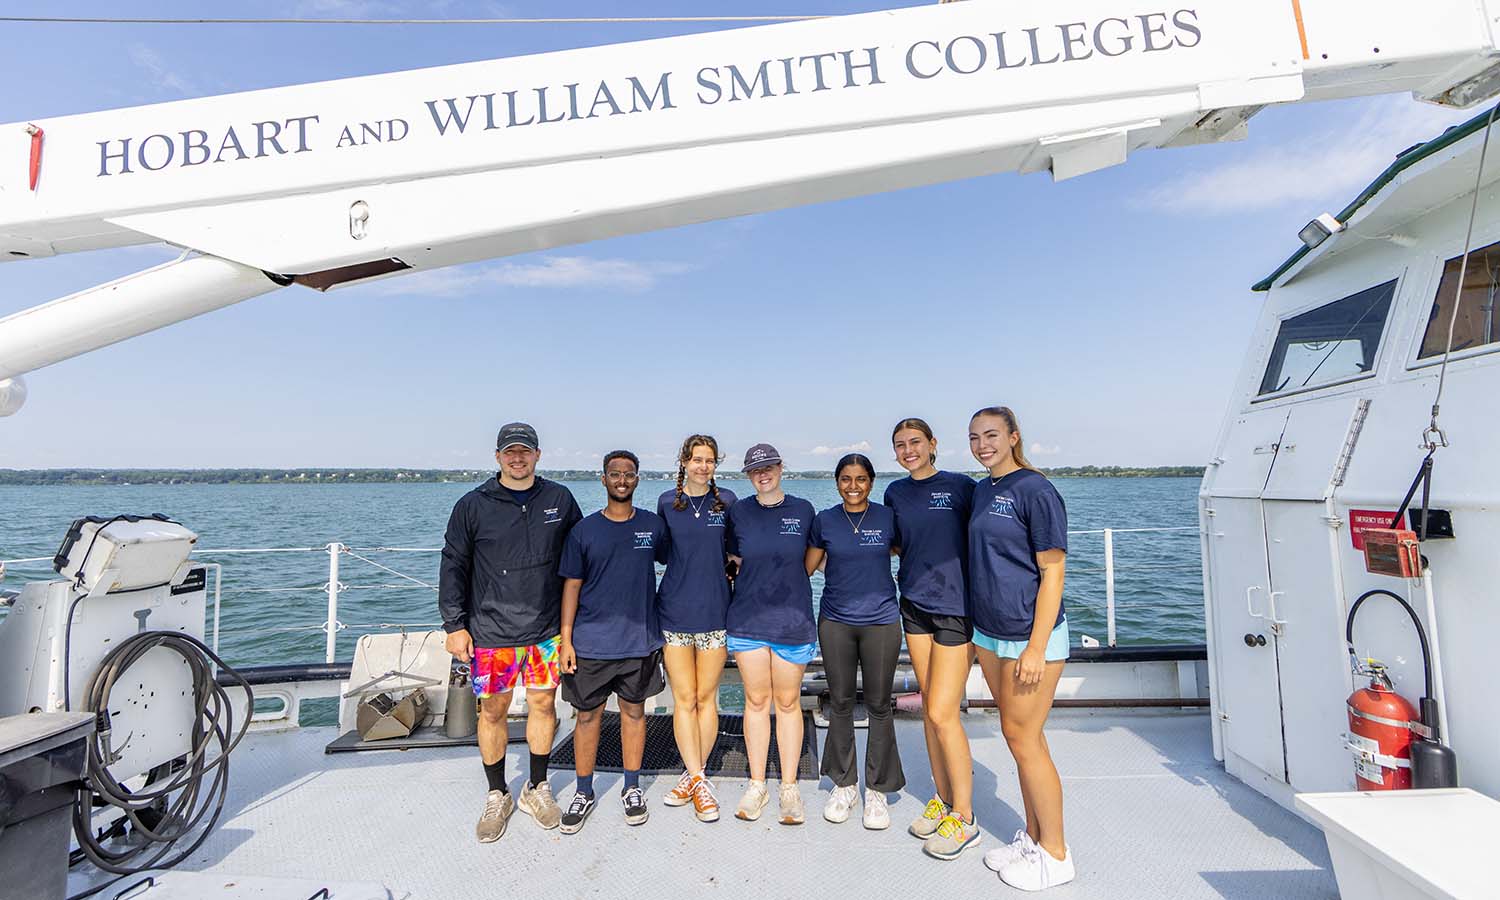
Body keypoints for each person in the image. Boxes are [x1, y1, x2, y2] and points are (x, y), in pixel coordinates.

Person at [439, 422, 583, 843]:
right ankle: (497, 792)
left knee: (543, 705)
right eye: (509, 452)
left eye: (525, 451)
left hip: (545, 630)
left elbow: (578, 558)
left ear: (538, 455)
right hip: (491, 631)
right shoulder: (473, 505)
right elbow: (453, 565)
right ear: (498, 456)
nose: (517, 458)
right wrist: (454, 624)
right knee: (493, 711)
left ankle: (536, 787)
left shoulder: (559, 498)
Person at [967, 406, 1075, 890]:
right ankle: (1033, 837)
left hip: (1030, 636)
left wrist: (1036, 648)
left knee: (1024, 739)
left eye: (991, 435)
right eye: (974, 437)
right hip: (989, 632)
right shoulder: (983, 489)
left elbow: (1053, 571)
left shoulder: (1035, 489)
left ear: (1013, 436)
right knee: (1020, 737)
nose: (983, 444)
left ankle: (1057, 853)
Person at [556, 450, 668, 834]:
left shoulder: (653, 527)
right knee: (587, 717)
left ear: (638, 479)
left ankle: (631, 787)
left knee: (635, 714)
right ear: (603, 479)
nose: (622, 479)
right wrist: (566, 640)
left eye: (629, 473)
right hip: (590, 644)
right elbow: (571, 586)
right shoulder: (584, 531)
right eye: (615, 473)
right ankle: (584, 790)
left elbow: (681, 562)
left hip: (639, 642)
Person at [882, 417, 978, 857]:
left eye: (915, 442)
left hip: (957, 609)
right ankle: (942, 800)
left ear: (933, 444)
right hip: (914, 604)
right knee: (928, 708)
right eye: (900, 445)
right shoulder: (895, 493)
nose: (908, 450)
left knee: (943, 712)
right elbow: (897, 543)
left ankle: (966, 815)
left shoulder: (961, 487)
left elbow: (984, 540)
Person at [804, 453, 904, 829]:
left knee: (879, 704)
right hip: (835, 622)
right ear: (837, 482)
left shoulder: (887, 518)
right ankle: (844, 783)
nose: (853, 486)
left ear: (871, 482)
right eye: (846, 479)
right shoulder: (825, 521)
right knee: (841, 703)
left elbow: (905, 554)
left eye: (861, 479)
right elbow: (805, 568)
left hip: (881, 621)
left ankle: (877, 789)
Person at [724, 443, 817, 825]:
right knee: (757, 701)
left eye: (769, 467)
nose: (763, 474)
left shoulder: (804, 510)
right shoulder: (739, 513)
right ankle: (758, 783)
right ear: (748, 476)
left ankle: (790, 787)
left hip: (792, 621)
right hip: (747, 620)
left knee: (789, 702)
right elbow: (731, 559)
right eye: (755, 470)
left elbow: (812, 561)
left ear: (780, 468)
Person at [655, 434, 737, 823]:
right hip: (674, 614)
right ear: (683, 462)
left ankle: (694, 776)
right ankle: (698, 777)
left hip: (715, 614)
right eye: (697, 459)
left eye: (709, 460)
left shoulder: (728, 503)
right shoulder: (666, 504)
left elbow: (737, 553)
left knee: (707, 698)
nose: (703, 466)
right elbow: (659, 553)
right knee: (683, 699)